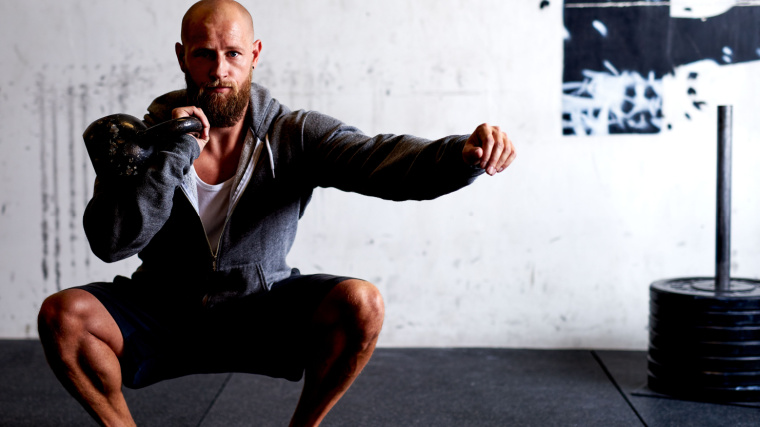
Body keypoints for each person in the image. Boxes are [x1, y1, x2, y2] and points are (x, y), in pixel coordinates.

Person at [37, 1, 516, 426]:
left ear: (255, 54)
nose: (218, 70)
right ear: (183, 56)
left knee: (361, 302)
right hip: (165, 306)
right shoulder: (142, 142)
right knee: (64, 316)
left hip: (260, 304)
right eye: (204, 54)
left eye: (233, 54)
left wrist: (459, 155)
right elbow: (113, 243)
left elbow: (380, 160)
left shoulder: (294, 135)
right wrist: (172, 154)